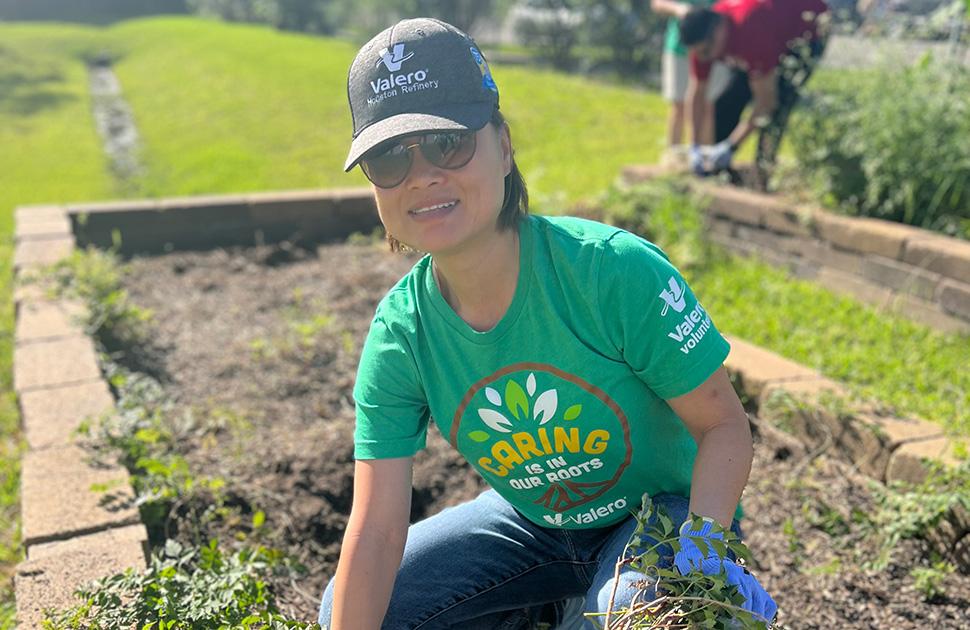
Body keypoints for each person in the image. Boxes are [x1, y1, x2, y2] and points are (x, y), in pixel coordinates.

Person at [318, 17, 777, 630]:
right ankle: (552, 608)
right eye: (389, 157)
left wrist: (702, 553)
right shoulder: (402, 335)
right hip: (537, 525)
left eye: (448, 143)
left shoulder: (610, 273)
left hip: (664, 513)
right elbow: (375, 530)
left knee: (633, 617)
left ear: (503, 147)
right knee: (353, 609)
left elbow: (724, 425)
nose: (423, 174)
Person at [679, 0, 830, 187]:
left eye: (708, 50)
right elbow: (697, 92)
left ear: (719, 29)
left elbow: (767, 102)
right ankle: (715, 170)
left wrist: (731, 146)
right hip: (763, 35)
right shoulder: (704, 42)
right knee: (727, 103)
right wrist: (695, 145)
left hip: (805, 32)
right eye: (701, 53)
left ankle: (763, 177)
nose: (706, 57)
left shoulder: (750, 30)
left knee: (775, 113)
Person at [650, 0, 731, 158]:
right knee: (679, 105)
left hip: (714, 48)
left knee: (709, 105)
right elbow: (658, 3)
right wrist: (679, 9)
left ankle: (705, 157)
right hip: (679, 48)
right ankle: (674, 158)